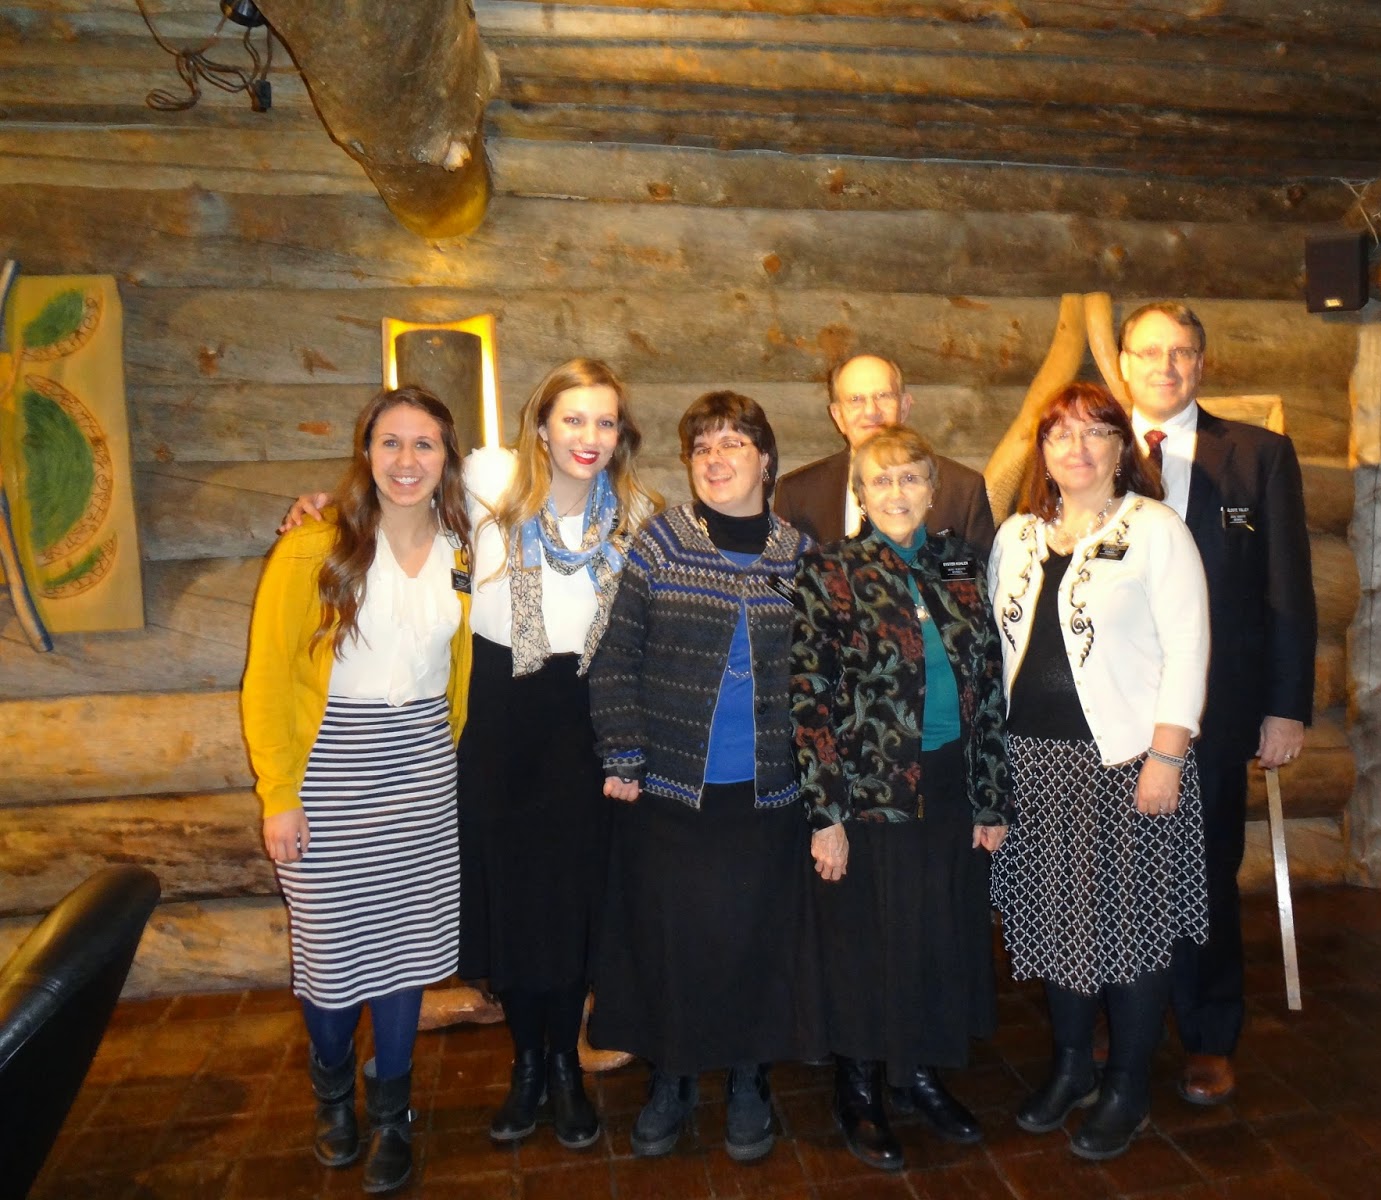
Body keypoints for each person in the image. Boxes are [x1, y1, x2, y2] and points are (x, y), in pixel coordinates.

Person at [278, 359, 661, 1150]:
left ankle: (565, 1066)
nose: (589, 436)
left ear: (621, 434)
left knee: (574, 904)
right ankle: (528, 1065)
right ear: (541, 425)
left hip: (586, 720)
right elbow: (403, 493)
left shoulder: (638, 512)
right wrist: (319, 509)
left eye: (605, 421)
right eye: (573, 418)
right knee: (513, 905)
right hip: (499, 719)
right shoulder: (490, 479)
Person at [242, 386, 473, 1194]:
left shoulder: (464, 549)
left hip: (421, 768)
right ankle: (333, 1091)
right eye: (390, 442)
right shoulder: (314, 546)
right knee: (332, 956)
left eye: (424, 444)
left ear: (447, 458)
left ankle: (393, 1114)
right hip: (331, 772)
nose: (406, 460)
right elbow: (268, 678)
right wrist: (278, 792)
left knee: (405, 952)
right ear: (366, 452)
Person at [587, 391, 823, 1164]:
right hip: (671, 789)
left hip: (768, 792)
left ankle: (750, 1077)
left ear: (766, 459)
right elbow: (615, 657)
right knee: (673, 941)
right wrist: (624, 754)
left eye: (733, 444)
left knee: (756, 939)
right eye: (702, 448)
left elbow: (823, 676)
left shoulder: (800, 553)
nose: (716, 460)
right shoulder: (661, 543)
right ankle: (673, 1075)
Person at [988, 380, 1210, 1160]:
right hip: (1033, 764)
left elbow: (1189, 647)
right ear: (1042, 452)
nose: (1076, 448)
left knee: (1133, 930)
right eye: (1060, 434)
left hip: (1126, 764)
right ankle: (1072, 1066)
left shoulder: (1156, 530)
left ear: (1121, 448)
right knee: (1060, 926)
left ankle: (1128, 1086)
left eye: (1094, 432)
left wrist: (1167, 756)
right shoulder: (1015, 536)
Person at [791, 425, 1011, 1172]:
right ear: (859, 493)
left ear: (933, 488)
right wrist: (826, 815)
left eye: (911, 478)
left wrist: (990, 799)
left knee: (937, 934)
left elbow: (989, 684)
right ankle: (859, 1091)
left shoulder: (959, 561)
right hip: (869, 795)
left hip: (949, 784)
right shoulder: (832, 569)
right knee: (867, 943)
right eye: (881, 480)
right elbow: (809, 697)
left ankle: (918, 1073)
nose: (897, 492)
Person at [1118, 302, 1317, 1106]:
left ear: (1201, 364)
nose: (1165, 366)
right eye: (1150, 352)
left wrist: (1286, 706)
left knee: (1203, 875)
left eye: (1181, 352)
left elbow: (1288, 587)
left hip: (1214, 709)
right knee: (1113, 872)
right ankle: (1118, 1019)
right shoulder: (1088, 446)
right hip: (1110, 707)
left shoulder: (1258, 457)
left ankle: (1207, 1033)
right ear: (1124, 363)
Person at [773, 353, 996, 555]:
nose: (871, 411)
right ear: (838, 416)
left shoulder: (963, 490)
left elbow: (978, 578)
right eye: (856, 399)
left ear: (904, 407)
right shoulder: (798, 494)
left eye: (883, 396)